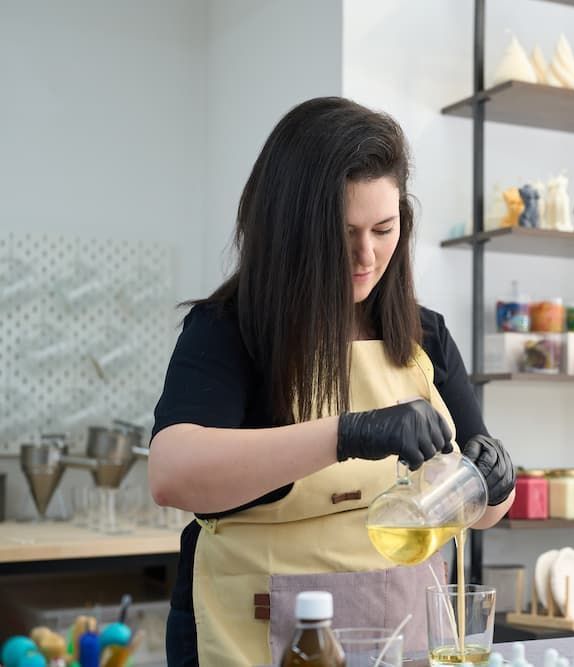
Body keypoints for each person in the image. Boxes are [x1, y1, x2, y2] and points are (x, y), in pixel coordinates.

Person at [148, 97, 516, 666]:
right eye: (343, 234)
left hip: (404, 631)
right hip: (251, 630)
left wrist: (493, 477)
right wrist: (347, 434)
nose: (366, 255)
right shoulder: (230, 330)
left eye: (384, 229)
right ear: (289, 229)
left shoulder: (424, 335)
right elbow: (173, 474)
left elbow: (485, 511)